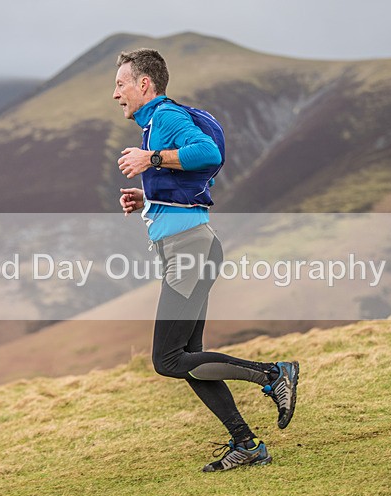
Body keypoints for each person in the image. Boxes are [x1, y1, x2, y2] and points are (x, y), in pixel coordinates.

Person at [113, 48, 300, 472]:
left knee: (168, 360)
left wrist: (150, 159)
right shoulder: (155, 122)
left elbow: (208, 154)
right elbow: (186, 184)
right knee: (190, 359)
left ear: (144, 84)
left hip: (190, 251)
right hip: (190, 246)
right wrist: (148, 197)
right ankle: (247, 444)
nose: (116, 94)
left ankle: (273, 375)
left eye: (121, 84)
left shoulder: (165, 117)